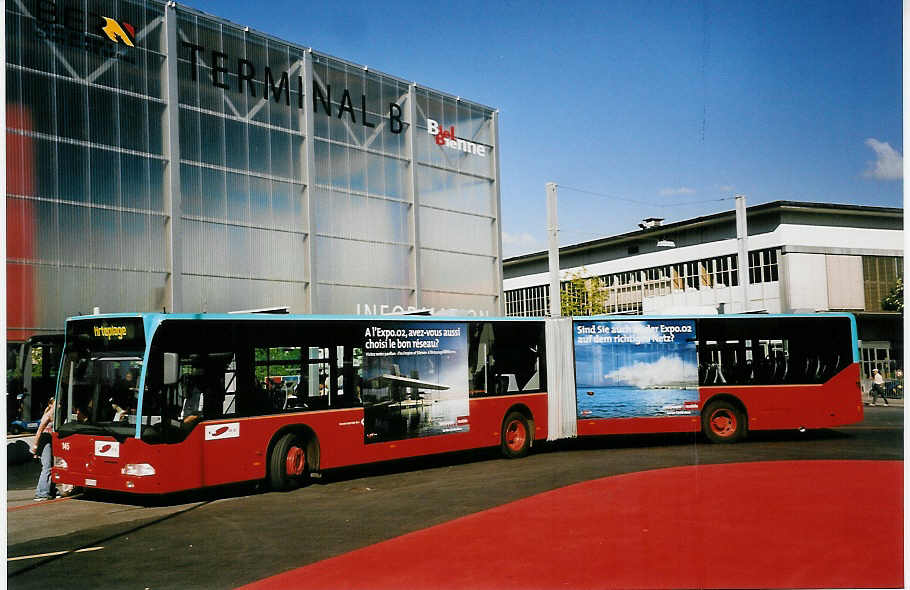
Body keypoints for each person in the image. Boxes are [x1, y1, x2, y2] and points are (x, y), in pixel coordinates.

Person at [30, 399, 56, 501]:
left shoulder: (55, 415)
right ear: (50, 405)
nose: (59, 405)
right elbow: (39, 431)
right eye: (56, 403)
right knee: (47, 467)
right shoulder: (48, 415)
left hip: (51, 441)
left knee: (52, 467)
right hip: (45, 441)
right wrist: (35, 447)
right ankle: (41, 493)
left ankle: (51, 490)